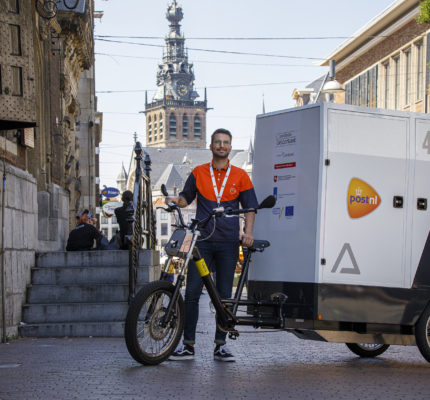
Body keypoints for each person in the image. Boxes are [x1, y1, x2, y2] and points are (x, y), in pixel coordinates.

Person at [166, 128, 258, 362]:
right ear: (211, 146)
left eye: (225, 142)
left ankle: (220, 345)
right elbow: (187, 197)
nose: (221, 146)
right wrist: (178, 200)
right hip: (202, 242)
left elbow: (250, 208)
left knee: (224, 296)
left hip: (228, 242)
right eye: (217, 142)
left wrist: (248, 233)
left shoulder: (240, 175)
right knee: (193, 293)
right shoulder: (198, 172)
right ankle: (188, 345)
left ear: (229, 146)